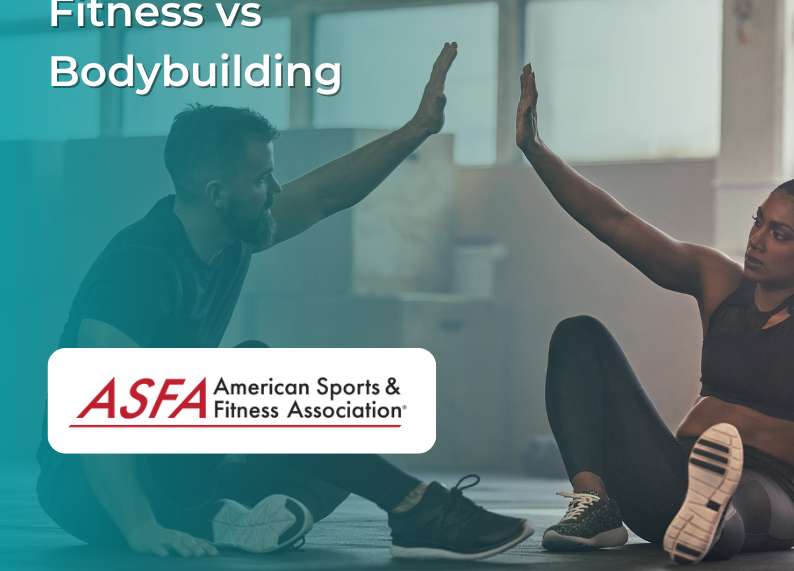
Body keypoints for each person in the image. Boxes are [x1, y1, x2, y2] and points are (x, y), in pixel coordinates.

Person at [35, 44, 534, 561]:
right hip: (87, 490)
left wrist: (414, 131)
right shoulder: (141, 266)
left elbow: (323, 196)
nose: (275, 189)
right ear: (217, 193)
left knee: (335, 443)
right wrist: (138, 528)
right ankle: (413, 506)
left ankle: (230, 516)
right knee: (254, 370)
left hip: (170, 463)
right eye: (260, 178)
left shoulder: (230, 233)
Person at [513, 64, 794, 563]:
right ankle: (596, 507)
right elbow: (614, 222)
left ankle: (709, 521)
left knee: (731, 509)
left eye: (780, 234)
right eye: (758, 222)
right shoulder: (719, 281)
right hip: (670, 476)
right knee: (579, 335)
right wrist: (535, 150)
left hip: (765, 491)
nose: (757, 241)